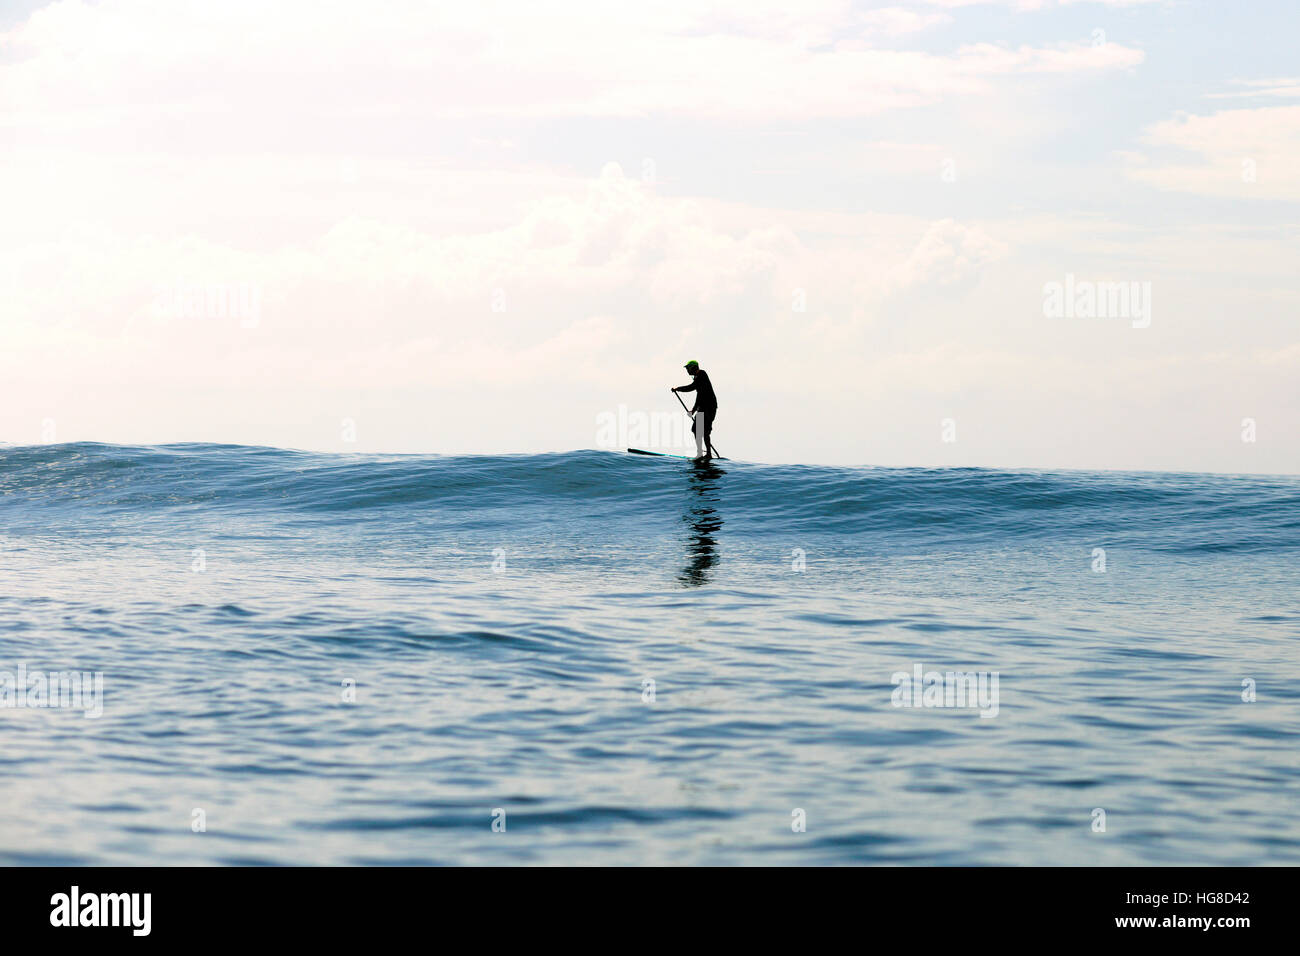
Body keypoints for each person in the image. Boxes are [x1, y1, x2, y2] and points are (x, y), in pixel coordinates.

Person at [672, 360, 718, 460]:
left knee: (704, 431)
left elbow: (691, 387)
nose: (687, 370)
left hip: (709, 407)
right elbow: (699, 396)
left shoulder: (702, 374)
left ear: (693, 367)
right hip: (702, 407)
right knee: (696, 429)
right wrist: (693, 410)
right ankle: (700, 453)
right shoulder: (697, 378)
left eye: (688, 368)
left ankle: (708, 454)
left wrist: (678, 388)